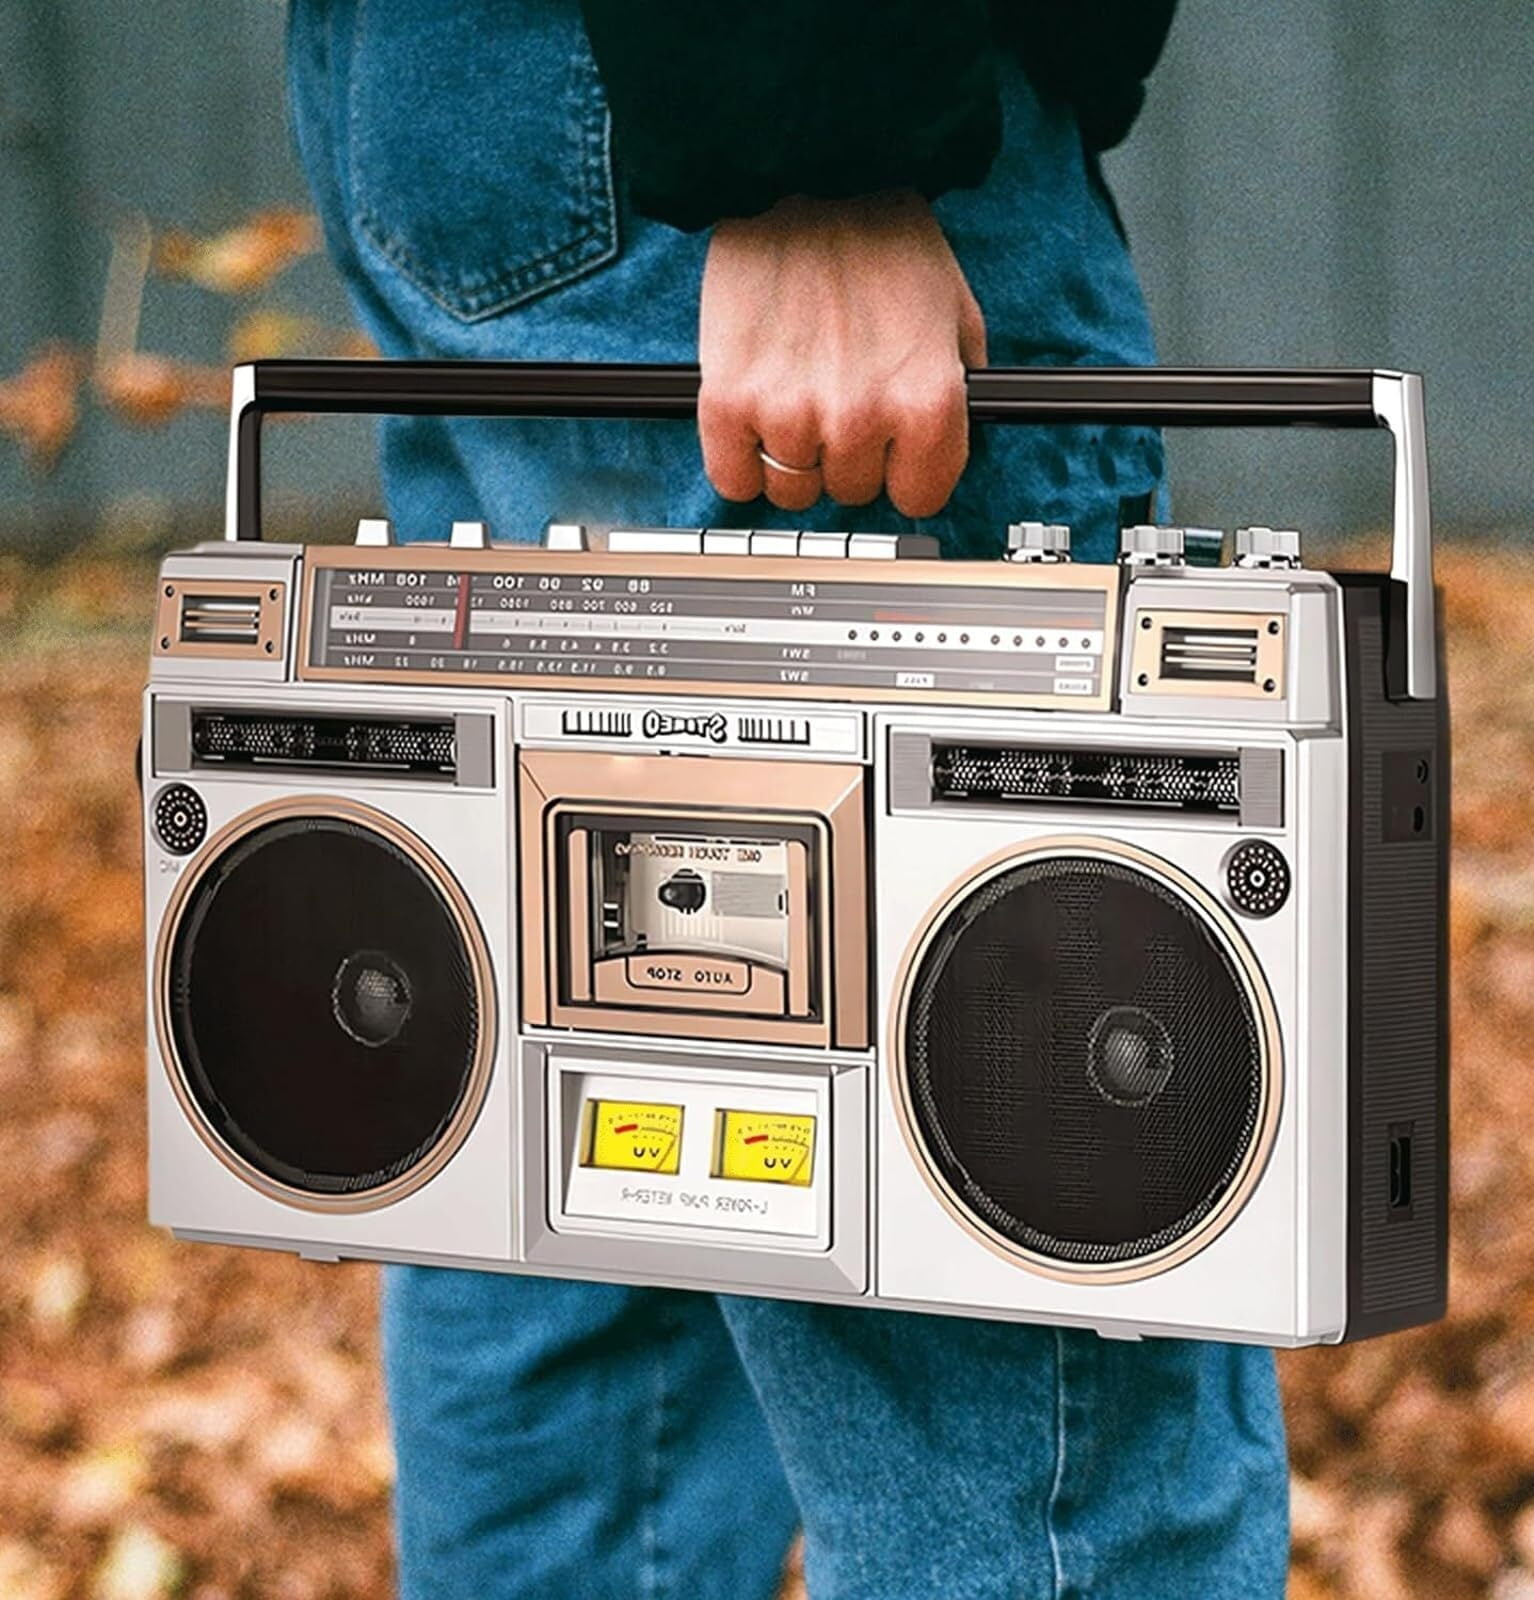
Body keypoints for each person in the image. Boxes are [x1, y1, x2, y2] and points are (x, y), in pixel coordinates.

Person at [284, 3, 1290, 1595]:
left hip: (452, 99)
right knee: (1035, 1374)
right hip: (759, 119)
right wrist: (817, 144)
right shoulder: (805, 151)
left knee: (589, 1134)